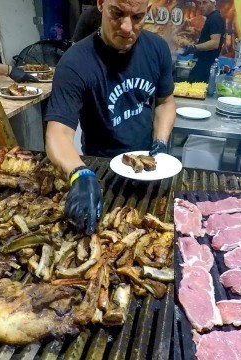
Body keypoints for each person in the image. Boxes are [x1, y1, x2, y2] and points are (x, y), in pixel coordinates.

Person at [44, 0, 176, 234]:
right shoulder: (76, 62)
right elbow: (58, 132)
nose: (127, 27)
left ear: (148, 10)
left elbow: (165, 103)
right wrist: (79, 173)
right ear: (101, 4)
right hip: (99, 172)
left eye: (137, 17)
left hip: (148, 166)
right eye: (117, 13)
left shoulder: (157, 49)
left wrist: (161, 141)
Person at [184, 0, 225, 83]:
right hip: (203, 63)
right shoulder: (211, 18)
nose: (201, 6)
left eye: (205, 2)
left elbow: (214, 43)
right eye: (200, 3)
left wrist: (194, 47)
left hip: (205, 64)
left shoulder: (215, 18)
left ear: (213, 4)